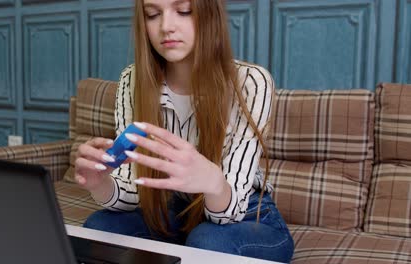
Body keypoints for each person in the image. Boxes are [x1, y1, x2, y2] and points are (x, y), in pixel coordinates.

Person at [74, 0, 294, 262]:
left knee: (206, 241)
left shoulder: (251, 82)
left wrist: (212, 180)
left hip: (246, 212)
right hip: (173, 210)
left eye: (184, 10)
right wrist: (101, 184)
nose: (166, 27)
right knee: (101, 228)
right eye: (152, 14)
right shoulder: (131, 80)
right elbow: (133, 192)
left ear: (208, 14)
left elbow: (228, 212)